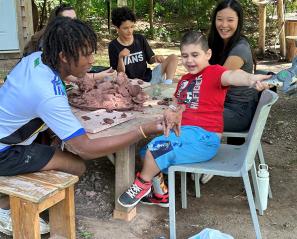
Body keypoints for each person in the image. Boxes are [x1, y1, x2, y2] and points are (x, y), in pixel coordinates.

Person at [0, 17, 162, 235]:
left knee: (58, 146)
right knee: (77, 166)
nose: (91, 60)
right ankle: (6, 208)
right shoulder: (48, 94)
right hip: (4, 152)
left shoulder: (37, 59)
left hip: (7, 136)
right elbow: (85, 148)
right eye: (85, 54)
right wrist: (142, 130)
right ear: (63, 56)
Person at [117, 31, 270, 208]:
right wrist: (171, 111)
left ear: (208, 54)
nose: (189, 60)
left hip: (203, 139)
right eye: (185, 56)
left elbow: (234, 75)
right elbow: (177, 103)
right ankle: (161, 195)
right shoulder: (184, 80)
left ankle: (142, 183)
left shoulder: (215, 73)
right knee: (144, 154)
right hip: (185, 134)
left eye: (195, 55)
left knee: (155, 148)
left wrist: (250, 79)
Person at [201, 0, 259, 184]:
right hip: (223, 104)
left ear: (238, 21)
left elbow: (216, 82)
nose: (224, 25)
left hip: (238, 111)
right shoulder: (216, 43)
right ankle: (204, 153)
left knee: (190, 116)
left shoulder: (239, 48)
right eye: (220, 19)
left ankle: (208, 157)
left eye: (230, 20)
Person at [23, 3, 115, 81]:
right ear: (57, 22)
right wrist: (97, 76)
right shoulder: (48, 44)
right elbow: (65, 73)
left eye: (74, 20)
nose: (72, 24)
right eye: (67, 20)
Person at [108, 7, 178, 84]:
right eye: (125, 28)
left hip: (150, 78)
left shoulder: (140, 39)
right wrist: (121, 57)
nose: (130, 31)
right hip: (132, 84)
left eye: (132, 27)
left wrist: (155, 58)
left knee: (173, 58)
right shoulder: (113, 46)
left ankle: (168, 83)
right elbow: (119, 75)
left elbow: (150, 60)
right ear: (117, 28)